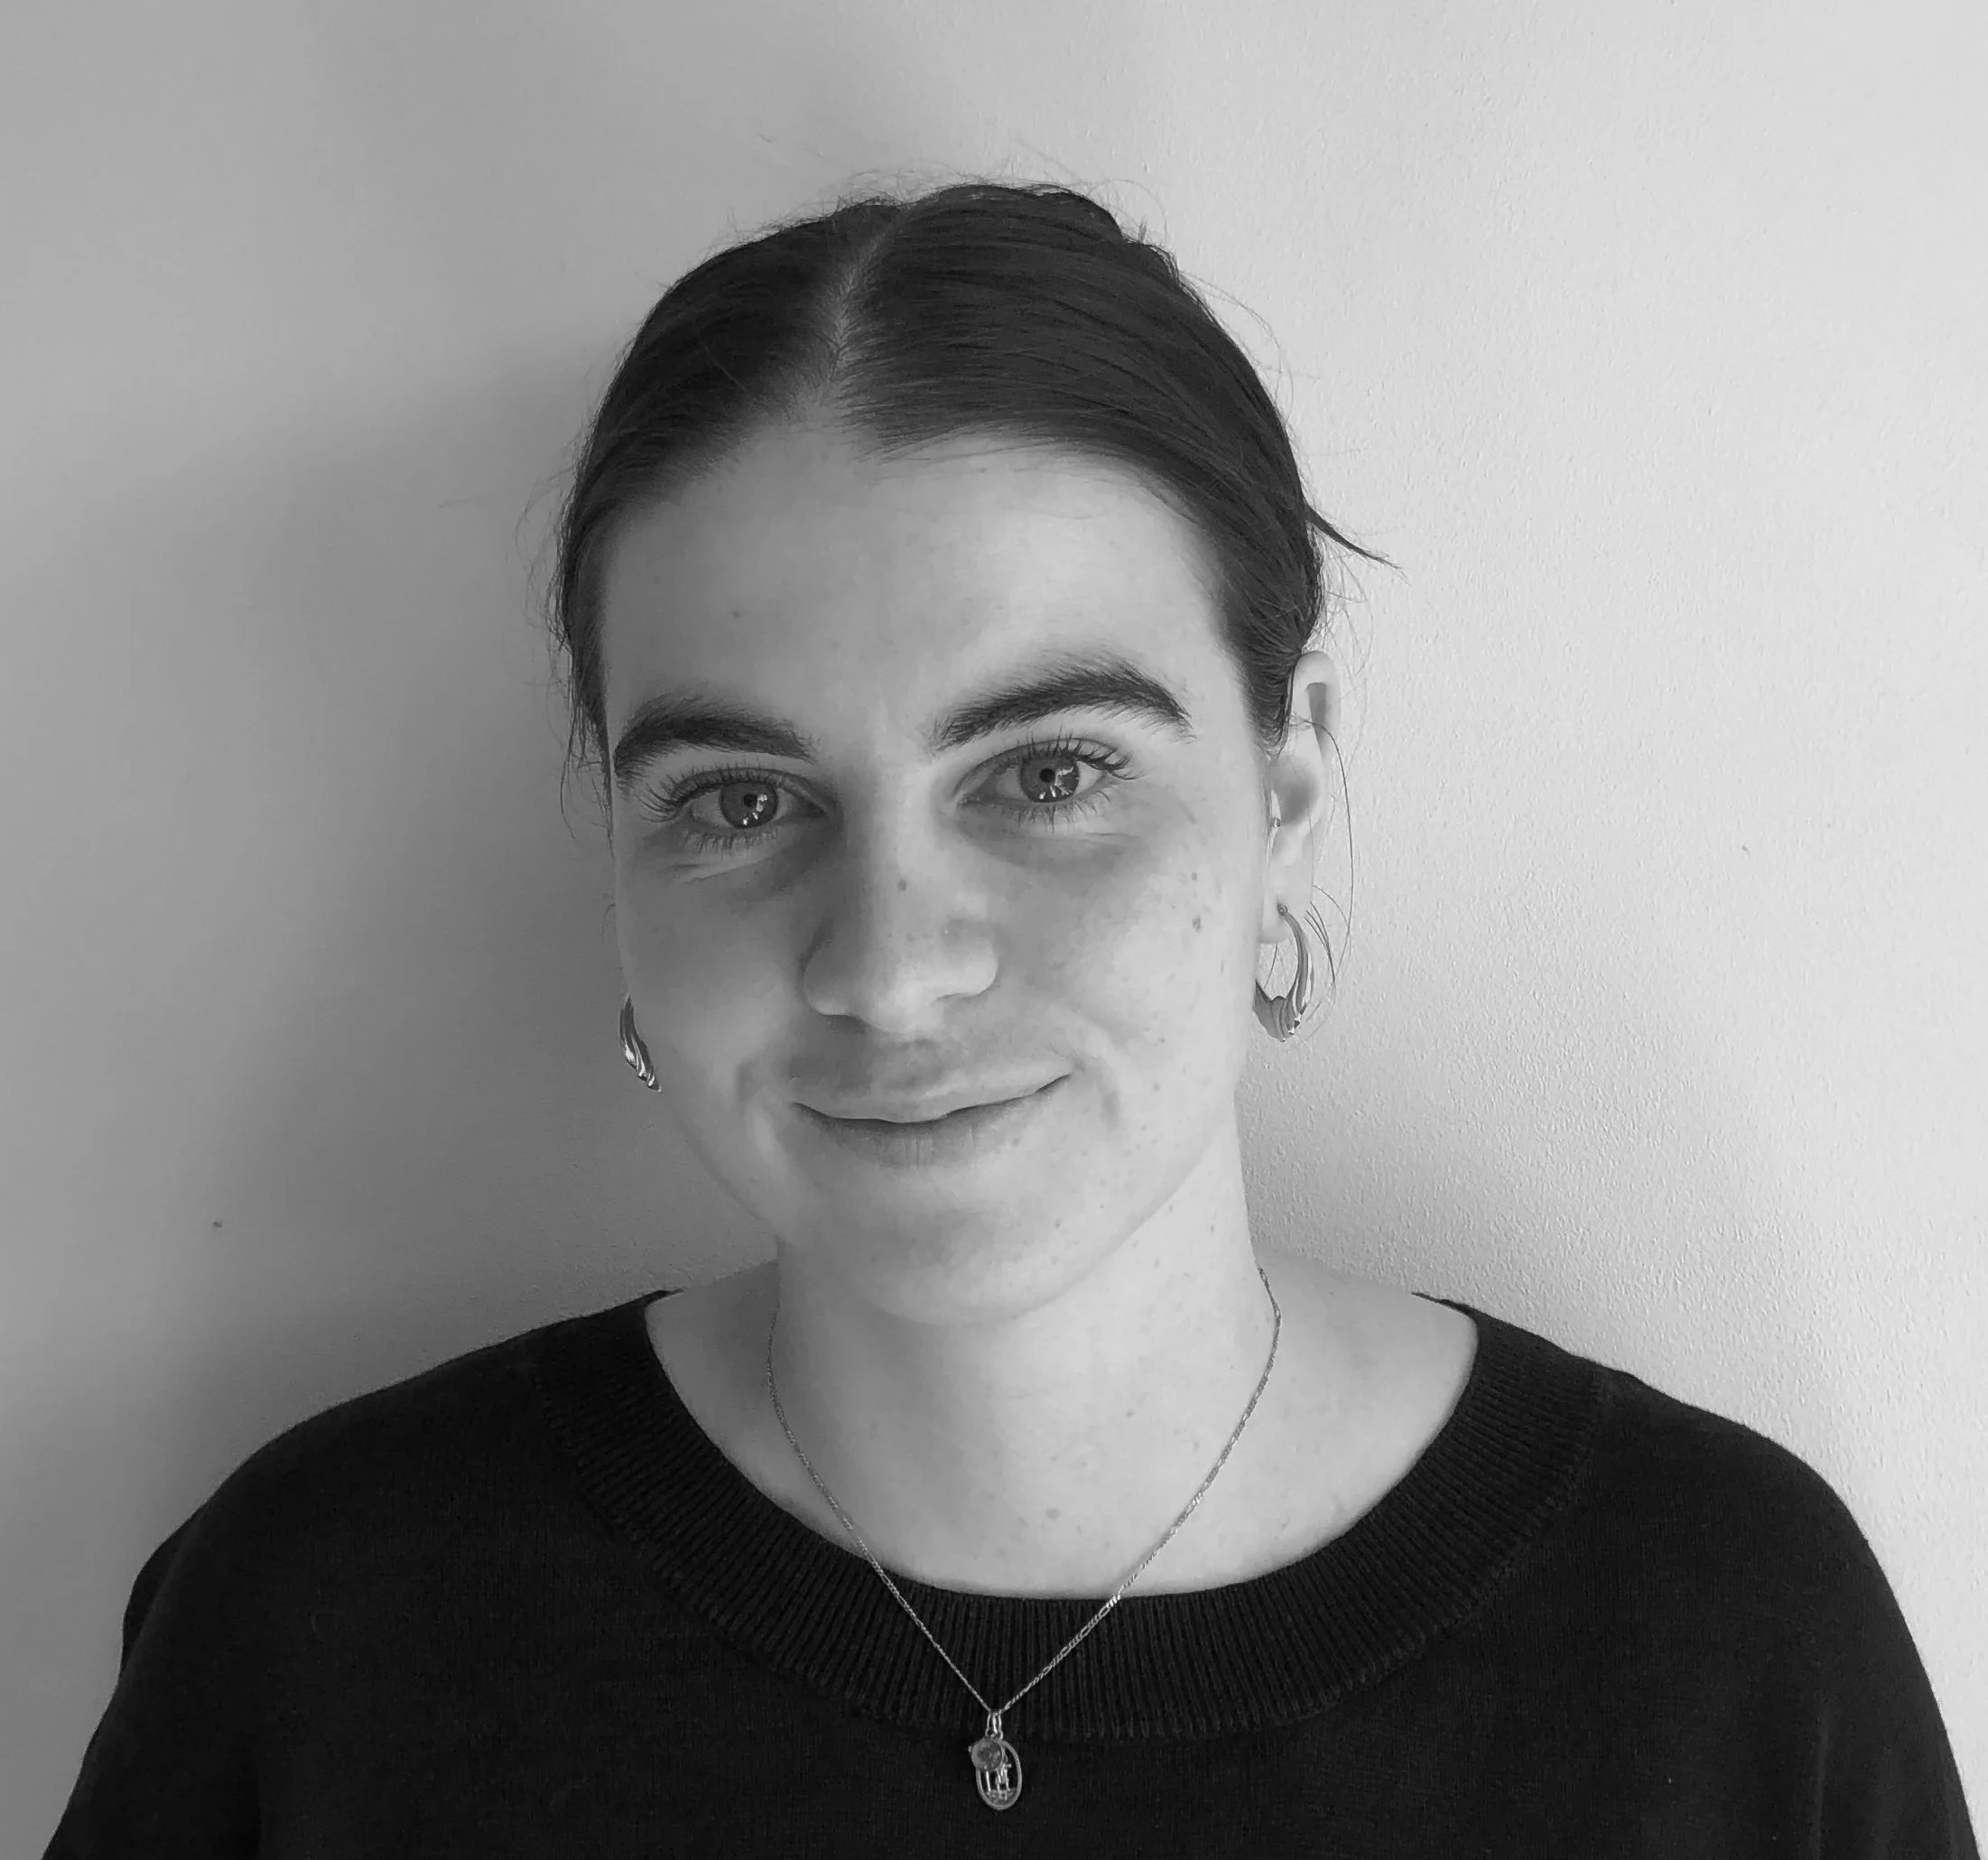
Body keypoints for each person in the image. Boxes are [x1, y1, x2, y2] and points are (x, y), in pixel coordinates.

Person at [43, 178, 1978, 1855]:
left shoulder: (1721, 1647)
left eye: (1048, 773)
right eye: (738, 800)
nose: (888, 966)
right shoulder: (323, 1634)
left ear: (1288, 790)